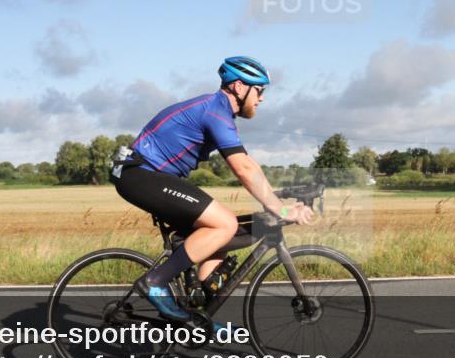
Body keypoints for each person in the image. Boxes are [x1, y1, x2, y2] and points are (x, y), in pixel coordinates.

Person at [112, 56, 313, 321]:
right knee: (226, 223)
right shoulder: (215, 112)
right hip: (139, 174)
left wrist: (275, 198)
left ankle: (198, 317)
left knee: (220, 235)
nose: (262, 98)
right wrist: (281, 209)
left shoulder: (219, 112)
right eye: (260, 90)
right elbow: (243, 169)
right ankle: (155, 281)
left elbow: (249, 163)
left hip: (148, 175)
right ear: (240, 87)